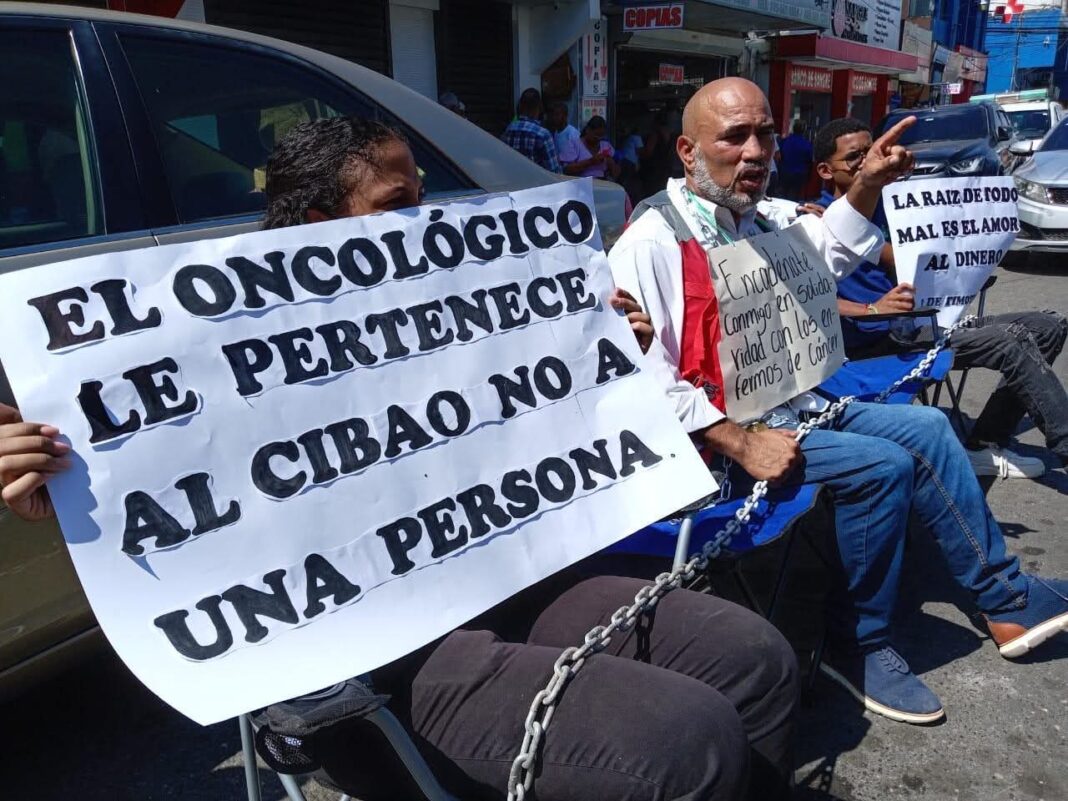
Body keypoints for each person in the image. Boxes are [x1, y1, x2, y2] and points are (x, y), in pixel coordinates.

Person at [0, 116, 799, 801]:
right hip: (373, 660)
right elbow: (174, 531)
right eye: (397, 205)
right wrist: (68, 499)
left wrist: (600, 348)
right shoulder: (219, 365)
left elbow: (549, 429)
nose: (425, 221)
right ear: (324, 224)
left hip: (509, 577)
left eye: (423, 197)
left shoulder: (460, 308)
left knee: (755, 658)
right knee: (687, 736)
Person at [609, 78, 1068, 726]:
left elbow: (823, 257)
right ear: (688, 151)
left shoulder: (757, 217)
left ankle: (1007, 598)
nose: (755, 152)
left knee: (930, 428)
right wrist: (740, 442)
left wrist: (868, 184)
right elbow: (641, 380)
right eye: (734, 137)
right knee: (884, 467)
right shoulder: (651, 242)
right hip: (719, 445)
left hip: (795, 405)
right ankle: (858, 644)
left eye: (765, 135)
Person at [812, 117, 1068, 478]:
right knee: (1010, 342)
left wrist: (972, 260)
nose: (869, 162)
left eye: (873, 151)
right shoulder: (816, 222)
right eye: (855, 157)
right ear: (826, 170)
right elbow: (804, 300)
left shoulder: (896, 205)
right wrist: (871, 306)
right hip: (881, 341)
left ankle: (985, 441)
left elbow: (934, 258)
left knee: (1048, 325)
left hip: (925, 320)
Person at [501, 88, 561, 174]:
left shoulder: (509, 129)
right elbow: (554, 172)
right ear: (540, 107)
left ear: (520, 106)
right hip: (535, 181)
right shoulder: (543, 134)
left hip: (512, 181)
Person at [561, 115, 620, 180]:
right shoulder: (574, 144)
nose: (598, 138)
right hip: (581, 182)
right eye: (596, 135)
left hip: (602, 183)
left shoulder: (606, 145)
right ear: (587, 130)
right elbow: (566, 170)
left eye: (601, 136)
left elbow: (615, 173)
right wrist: (590, 162)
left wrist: (611, 164)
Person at [777, 119, 813, 201]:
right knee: (794, 196)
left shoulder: (785, 141)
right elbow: (809, 160)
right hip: (799, 173)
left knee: (782, 196)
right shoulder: (807, 144)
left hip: (784, 172)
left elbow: (780, 156)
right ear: (804, 130)